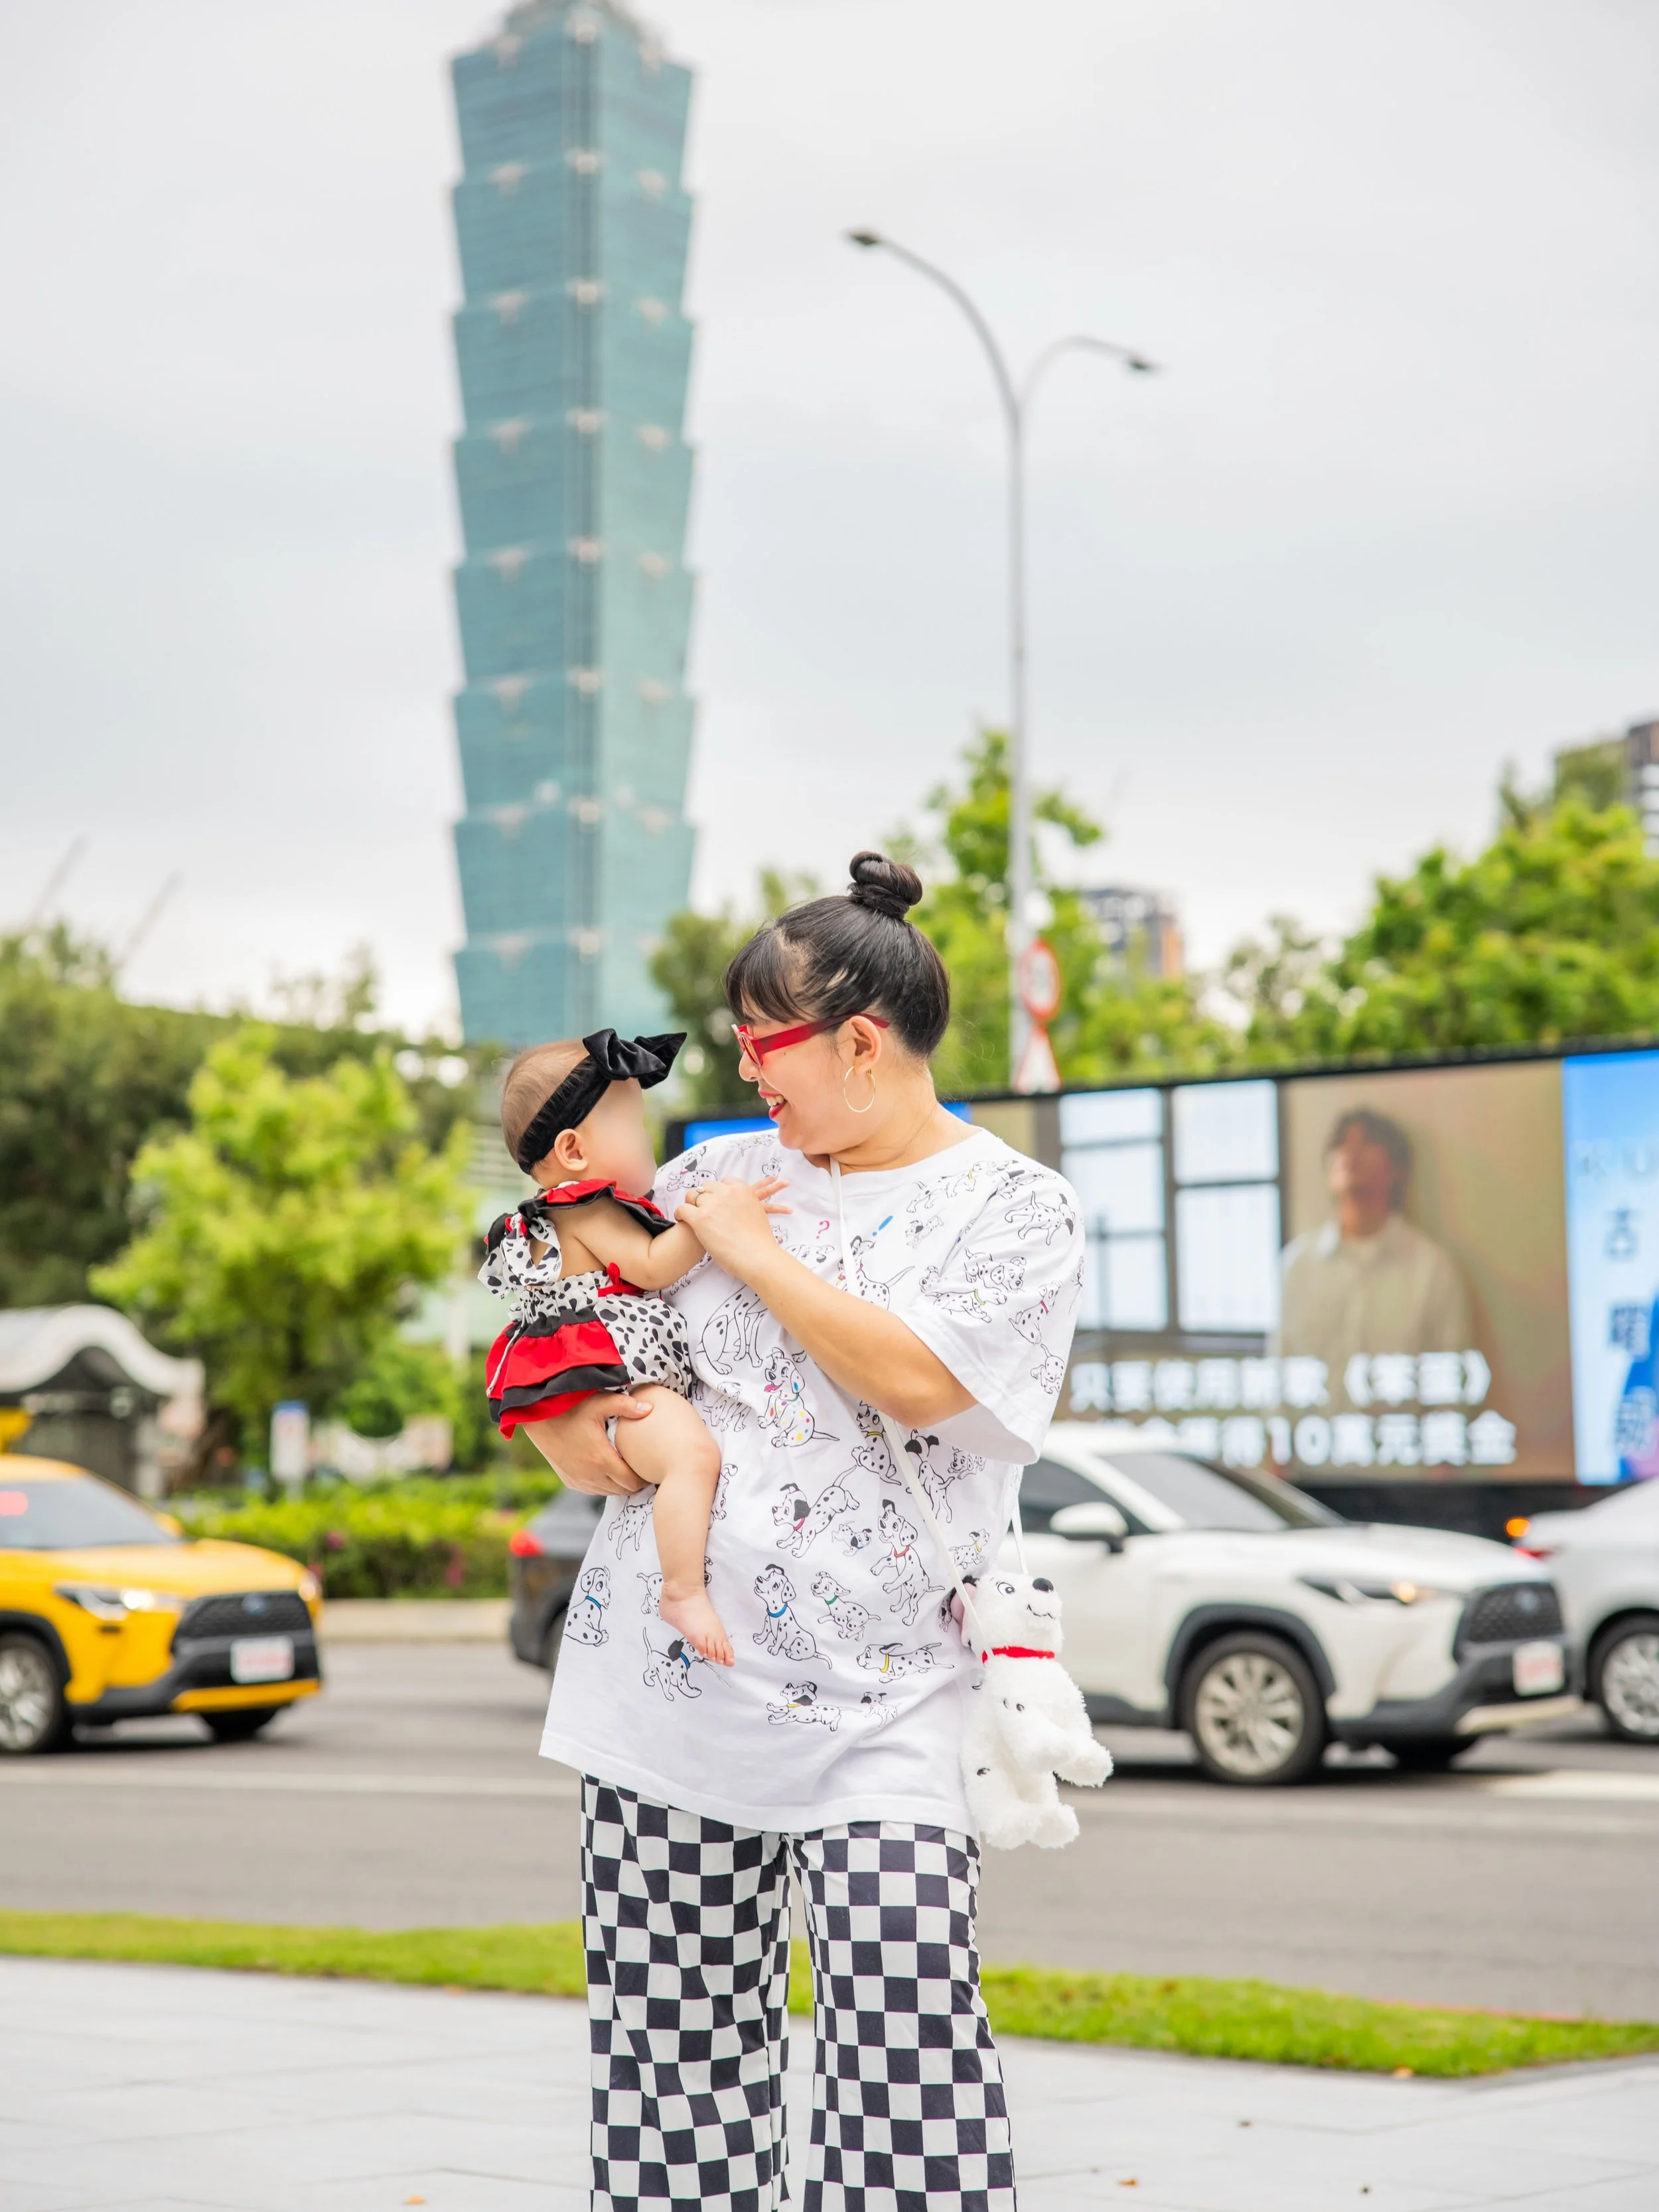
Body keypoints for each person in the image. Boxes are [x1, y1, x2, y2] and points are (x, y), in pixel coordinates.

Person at [524, 851, 1085, 2212]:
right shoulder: (714, 1168)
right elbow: (577, 1340)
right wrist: (581, 1431)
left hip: (889, 1703)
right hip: (668, 1698)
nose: (743, 1070)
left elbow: (922, 1381)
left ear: (859, 1039)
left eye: (761, 1043)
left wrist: (759, 1254)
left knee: (910, 2055)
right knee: (670, 2082)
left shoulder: (1015, 1209)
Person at [482, 1027, 788, 1666]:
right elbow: (651, 1264)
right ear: (572, 1149)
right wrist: (712, 1221)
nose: (647, 1135)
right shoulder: (584, 1206)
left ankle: (682, 1586)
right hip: (616, 1381)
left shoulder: (557, 1211)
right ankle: (683, 1590)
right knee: (693, 1458)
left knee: (689, 1459)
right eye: (631, 1122)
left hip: (607, 1374)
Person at [1276, 1106, 1472, 1410]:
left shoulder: (1431, 1267)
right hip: (1313, 1453)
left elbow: (1452, 1380)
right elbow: (1280, 1369)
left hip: (1399, 1454)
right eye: (1341, 1145)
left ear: (1396, 1169)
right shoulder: (1297, 1264)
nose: (1350, 1155)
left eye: (1367, 1144)